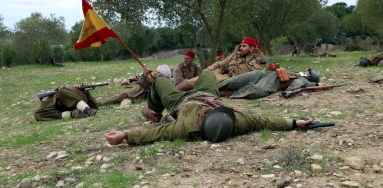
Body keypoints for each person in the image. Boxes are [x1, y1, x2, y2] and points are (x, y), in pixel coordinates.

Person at [105, 71, 314, 146]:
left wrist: (125, 135)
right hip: (208, 94)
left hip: (181, 101)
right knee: (207, 73)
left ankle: (155, 110)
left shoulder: (186, 127)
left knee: (159, 83)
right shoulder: (237, 121)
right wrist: (295, 122)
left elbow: (156, 132)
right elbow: (263, 120)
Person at [177, 37, 264, 91]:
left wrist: (245, 60)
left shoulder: (256, 61)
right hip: (218, 72)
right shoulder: (235, 56)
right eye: (240, 46)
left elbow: (257, 72)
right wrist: (207, 70)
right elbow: (219, 64)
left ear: (251, 49)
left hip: (227, 79)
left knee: (190, 85)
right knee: (188, 83)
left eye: (244, 46)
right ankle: (171, 93)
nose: (240, 48)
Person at [218, 66, 320, 99]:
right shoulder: (297, 73)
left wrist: (315, 85)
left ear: (310, 76)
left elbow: (293, 87)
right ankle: (213, 87)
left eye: (309, 72)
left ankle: (223, 93)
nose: (307, 71)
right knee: (236, 80)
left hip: (273, 82)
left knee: (255, 90)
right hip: (265, 73)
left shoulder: (303, 80)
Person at [99, 64, 172, 106]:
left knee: (126, 100)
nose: (157, 73)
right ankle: (101, 103)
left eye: (159, 73)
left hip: (143, 97)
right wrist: (145, 74)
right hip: (136, 92)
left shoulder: (165, 83)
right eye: (157, 72)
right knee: (121, 96)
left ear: (163, 76)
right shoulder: (152, 77)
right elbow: (143, 84)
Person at [34, 86, 99, 121]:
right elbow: (41, 112)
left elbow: (94, 106)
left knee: (62, 91)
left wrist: (85, 91)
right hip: (60, 106)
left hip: (75, 99)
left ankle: (87, 110)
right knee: (37, 114)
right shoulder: (50, 100)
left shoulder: (72, 91)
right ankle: (74, 114)